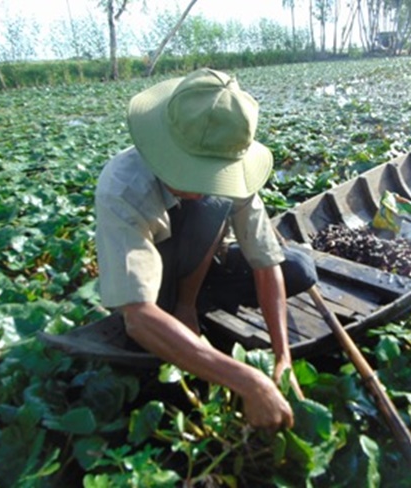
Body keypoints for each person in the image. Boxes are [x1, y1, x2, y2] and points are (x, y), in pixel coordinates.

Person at [94, 68, 317, 431]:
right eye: (190, 173)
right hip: (155, 286)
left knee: (299, 267)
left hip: (201, 266)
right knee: (147, 345)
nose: (199, 187)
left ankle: (191, 302)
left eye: (210, 174)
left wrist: (283, 356)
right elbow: (136, 314)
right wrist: (249, 381)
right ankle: (179, 309)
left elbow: (265, 261)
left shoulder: (227, 158)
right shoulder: (122, 188)